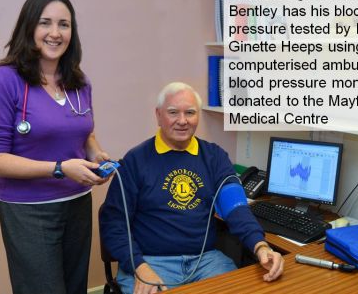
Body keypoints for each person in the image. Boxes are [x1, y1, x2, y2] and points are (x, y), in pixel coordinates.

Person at [0, 0, 110, 294]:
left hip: (77, 203)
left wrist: (97, 154)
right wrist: (60, 168)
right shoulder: (4, 81)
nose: (55, 33)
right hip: (29, 211)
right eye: (45, 23)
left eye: (64, 24)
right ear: (29, 28)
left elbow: (84, 132)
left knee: (75, 288)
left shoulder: (78, 81)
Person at [99, 82, 284, 294]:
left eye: (190, 112)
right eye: (173, 112)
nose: (182, 121)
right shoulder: (135, 161)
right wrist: (140, 267)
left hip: (206, 261)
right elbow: (114, 222)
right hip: (151, 262)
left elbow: (236, 208)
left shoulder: (214, 157)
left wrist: (260, 246)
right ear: (158, 115)